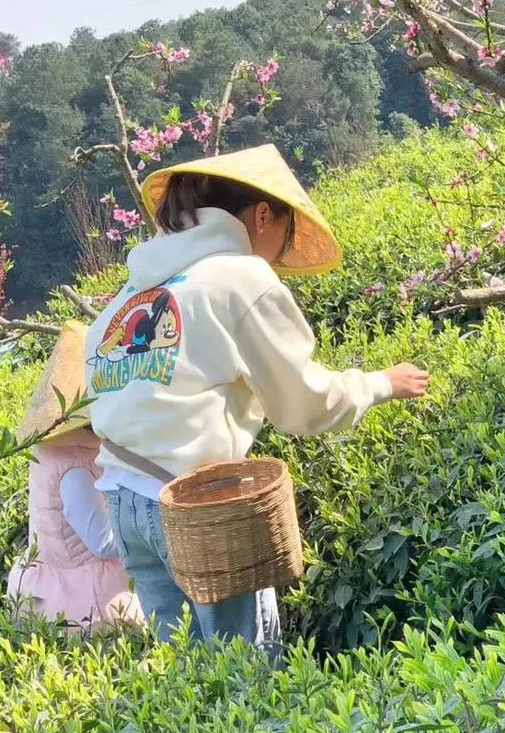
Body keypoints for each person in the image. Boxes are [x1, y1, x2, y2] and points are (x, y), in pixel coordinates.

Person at [85, 143, 429, 652]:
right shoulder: (237, 276)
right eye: (285, 234)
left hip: (122, 499)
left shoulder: (130, 295)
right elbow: (305, 403)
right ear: (263, 215)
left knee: (190, 684)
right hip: (196, 508)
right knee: (249, 678)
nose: (279, 254)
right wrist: (380, 383)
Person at [7, 320, 141, 632]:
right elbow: (101, 541)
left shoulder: (53, 450)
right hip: (83, 598)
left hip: (53, 580)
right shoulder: (75, 466)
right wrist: (144, 533)